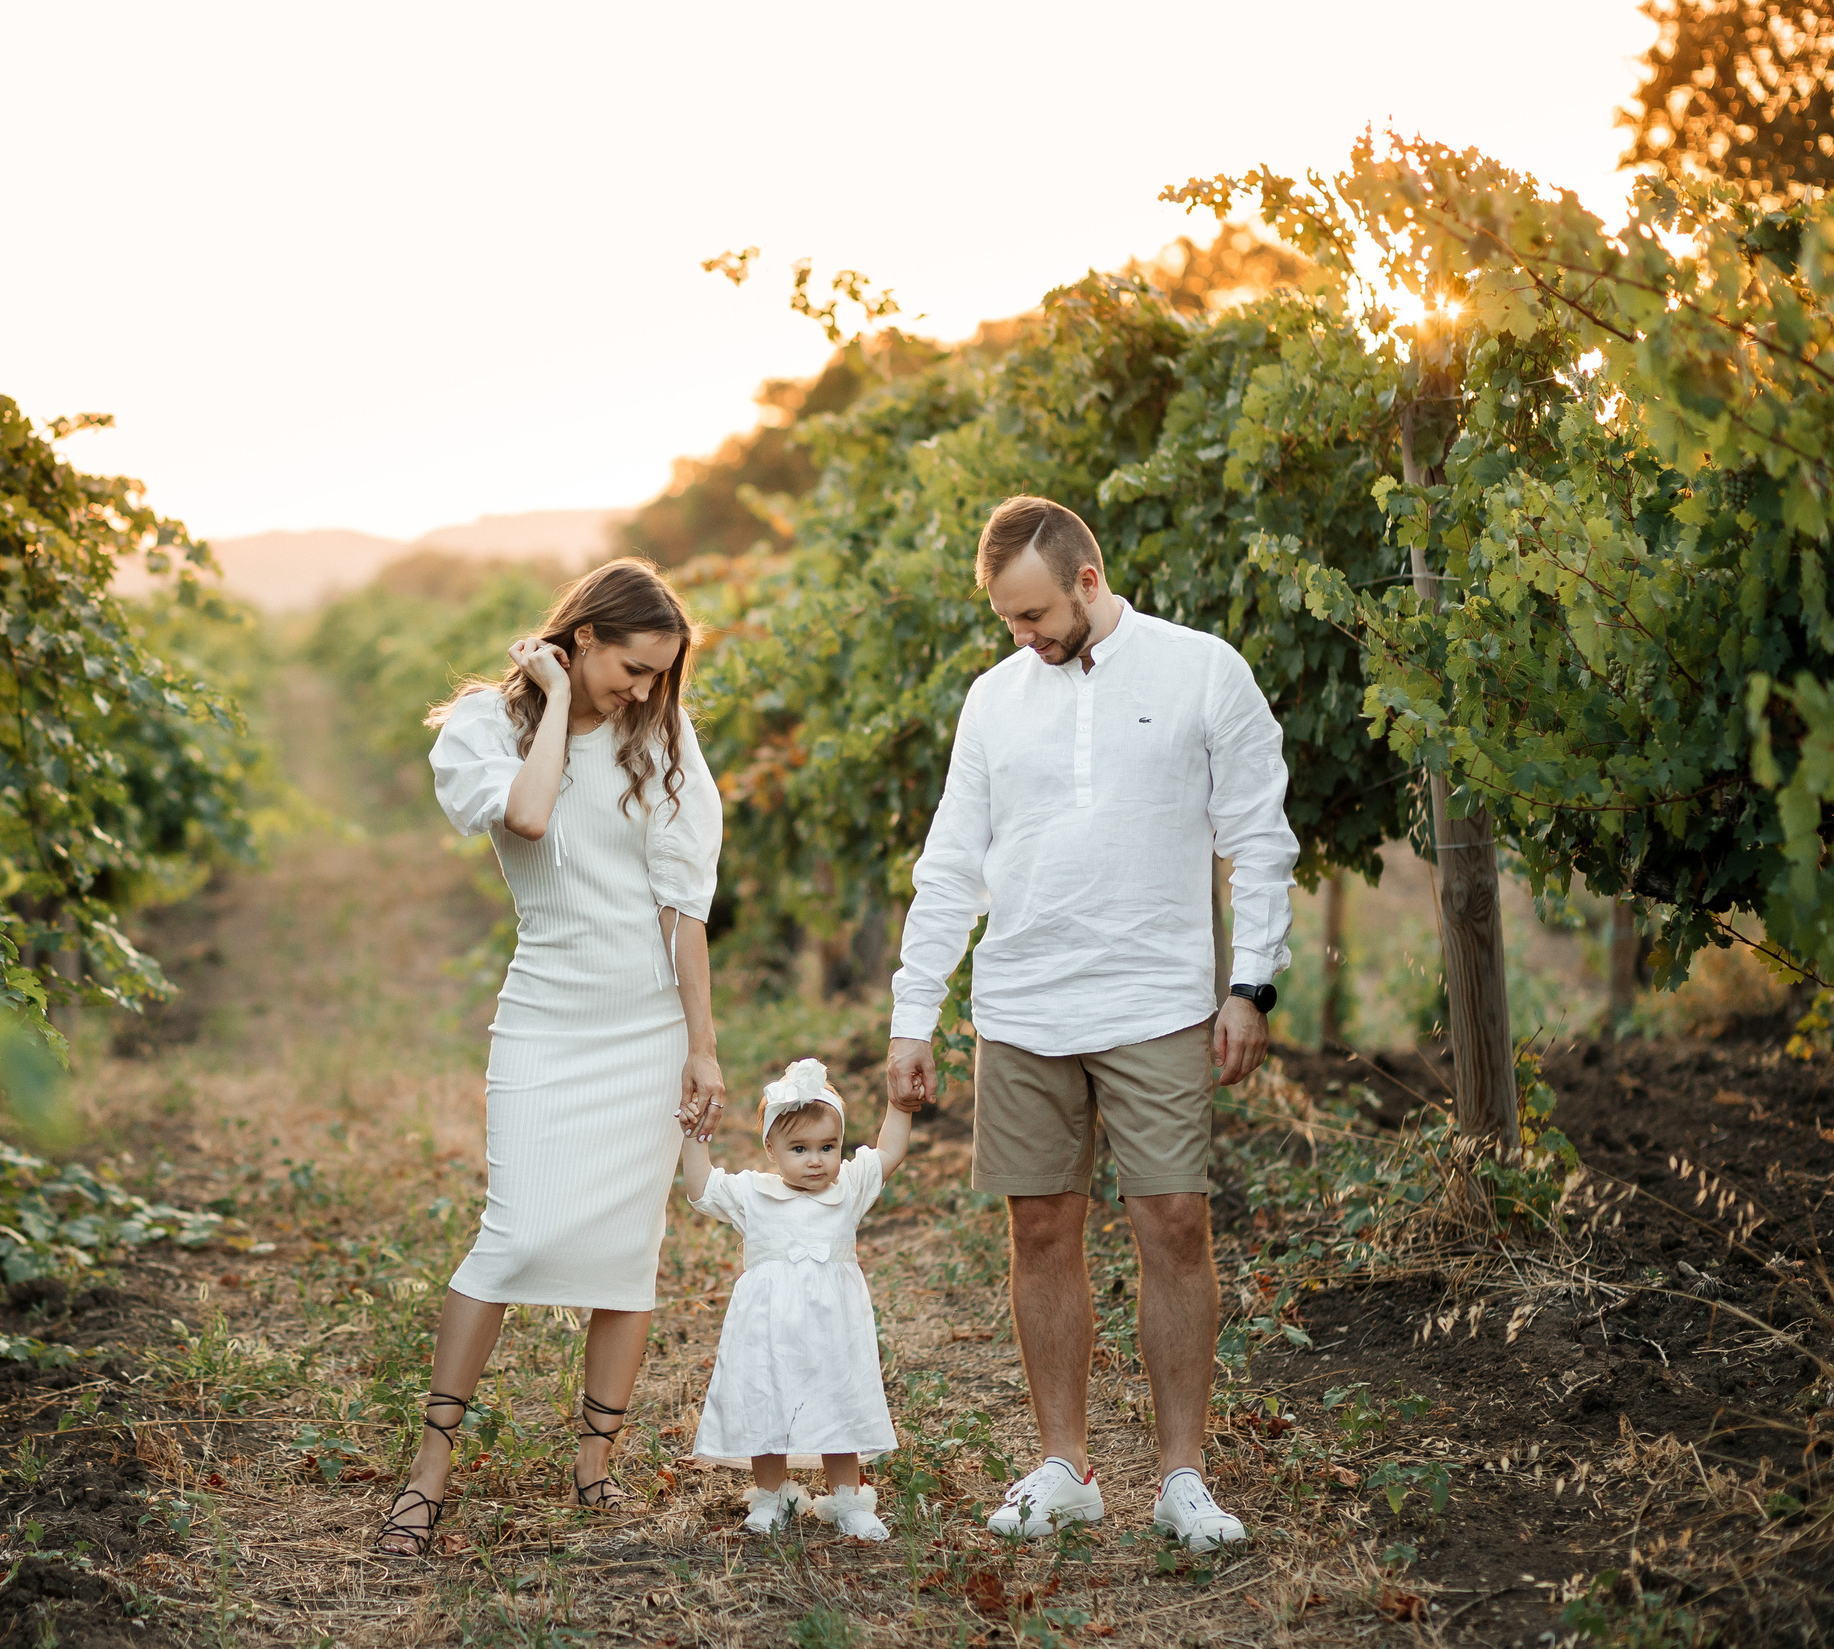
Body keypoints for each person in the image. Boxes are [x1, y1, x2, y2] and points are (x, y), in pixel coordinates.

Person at [884, 495, 1297, 1555]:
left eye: (1030, 615)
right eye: (1005, 621)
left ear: (1085, 577)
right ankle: (1063, 1465)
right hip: (1021, 1003)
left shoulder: (1203, 670)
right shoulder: (993, 699)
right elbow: (950, 862)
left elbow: (1258, 834)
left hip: (1156, 998)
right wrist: (912, 1012)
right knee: (1040, 1230)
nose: (1020, 637)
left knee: (1172, 1226)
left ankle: (1181, 1477)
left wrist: (1250, 983)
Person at [377, 559, 726, 1557]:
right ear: (577, 640)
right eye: (631, 667)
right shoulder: (483, 729)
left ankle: (594, 1472)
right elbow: (527, 818)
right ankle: (428, 1470)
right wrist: (564, 700)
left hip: (646, 1026)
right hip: (546, 1019)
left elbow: (681, 902)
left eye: (661, 674)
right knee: (516, 1236)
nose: (647, 691)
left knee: (627, 1255)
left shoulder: (659, 735)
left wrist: (700, 1047)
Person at [681, 1059, 911, 1541]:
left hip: (834, 1329)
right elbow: (701, 1189)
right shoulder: (753, 1194)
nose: (816, 1160)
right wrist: (695, 1136)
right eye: (799, 1148)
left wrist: (899, 1103)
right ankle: (773, 1497)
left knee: (838, 1400)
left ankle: (847, 1500)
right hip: (768, 1329)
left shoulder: (847, 1189)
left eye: (828, 1147)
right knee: (769, 1402)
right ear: (771, 1148)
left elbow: (889, 1150)